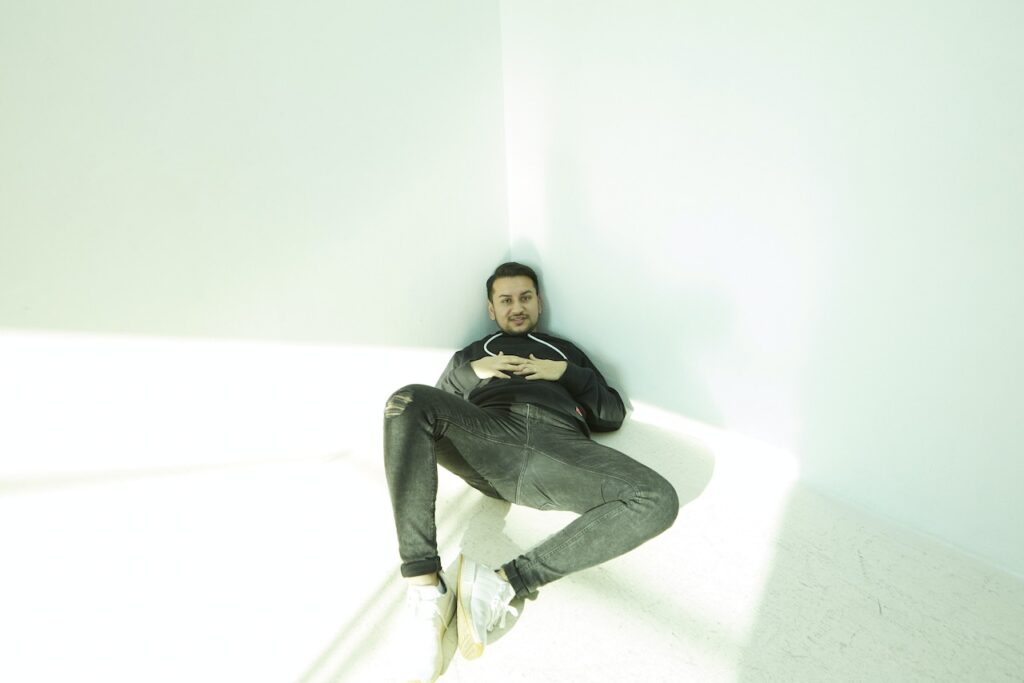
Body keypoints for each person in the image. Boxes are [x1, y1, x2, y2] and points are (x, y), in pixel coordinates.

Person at [384, 262, 679, 682]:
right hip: (491, 439)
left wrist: (564, 373)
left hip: (559, 448)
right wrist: (473, 373)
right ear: (491, 309)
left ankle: (504, 583)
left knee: (657, 498)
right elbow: (425, 415)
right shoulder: (473, 353)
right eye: (505, 300)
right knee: (407, 400)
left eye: (525, 297)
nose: (517, 307)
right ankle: (427, 589)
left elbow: (612, 413)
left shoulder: (566, 351)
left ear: (539, 302)